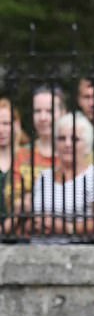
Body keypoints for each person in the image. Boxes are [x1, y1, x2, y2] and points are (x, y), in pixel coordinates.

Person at [32, 111, 94, 237]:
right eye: (61, 138)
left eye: (75, 139)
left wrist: (65, 227)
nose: (67, 144)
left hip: (77, 251)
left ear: (87, 145)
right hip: (36, 248)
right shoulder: (43, 177)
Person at [16, 84, 67, 193]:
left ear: (63, 113)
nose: (42, 118)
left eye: (49, 111)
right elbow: (12, 199)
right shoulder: (21, 154)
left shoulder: (79, 153)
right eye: (38, 111)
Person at [0, 97, 26, 235]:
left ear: (16, 125)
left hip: (22, 237)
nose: (1, 129)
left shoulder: (27, 157)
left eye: (6, 123)